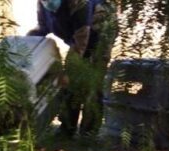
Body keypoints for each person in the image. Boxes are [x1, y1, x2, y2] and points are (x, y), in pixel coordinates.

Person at [27, 0, 117, 137]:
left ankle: (89, 133)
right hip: (77, 35)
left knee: (92, 80)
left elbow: (81, 40)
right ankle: (67, 128)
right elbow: (42, 27)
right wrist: (25, 44)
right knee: (70, 83)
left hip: (100, 34)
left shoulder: (79, 3)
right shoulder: (42, 4)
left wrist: (68, 72)